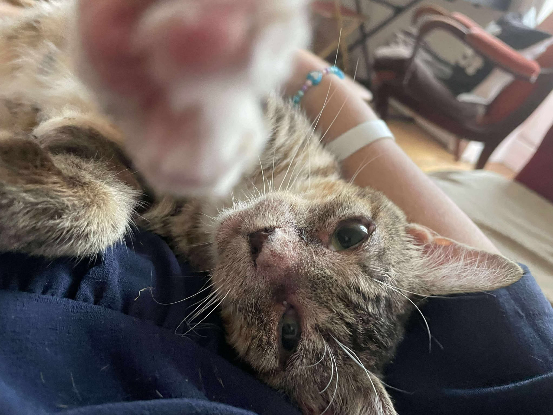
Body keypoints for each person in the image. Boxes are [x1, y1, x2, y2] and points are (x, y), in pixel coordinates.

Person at [0, 2, 552, 414]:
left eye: (289, 332)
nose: (275, 254)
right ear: (419, 236)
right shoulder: (287, 154)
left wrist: (86, 195)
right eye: (350, 234)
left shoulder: (185, 250)